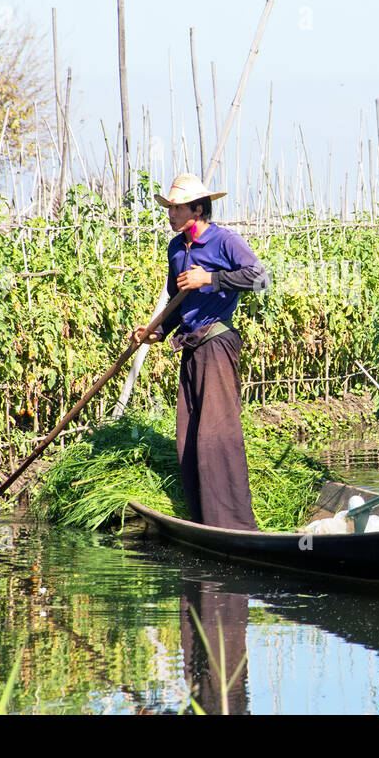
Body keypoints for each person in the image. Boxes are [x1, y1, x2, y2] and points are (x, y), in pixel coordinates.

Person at [132, 173, 269, 531]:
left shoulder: (224, 240)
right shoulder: (177, 249)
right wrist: (156, 331)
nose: (170, 214)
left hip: (217, 344)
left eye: (176, 208)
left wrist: (211, 279)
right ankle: (204, 519)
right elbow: (178, 303)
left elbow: (260, 279)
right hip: (191, 347)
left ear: (197, 208)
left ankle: (236, 525)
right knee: (189, 436)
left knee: (217, 435)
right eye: (170, 207)